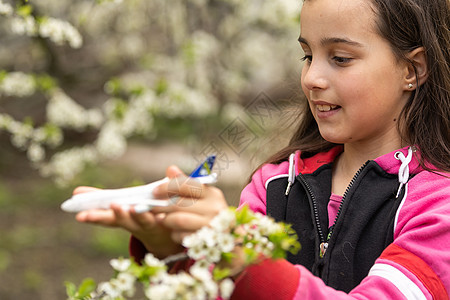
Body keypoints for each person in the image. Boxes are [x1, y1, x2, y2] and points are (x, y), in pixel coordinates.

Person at [74, 0, 450, 298]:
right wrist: (174, 250)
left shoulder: (438, 207)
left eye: (340, 58)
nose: (312, 78)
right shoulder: (274, 184)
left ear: (412, 70)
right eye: (307, 55)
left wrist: (242, 259)